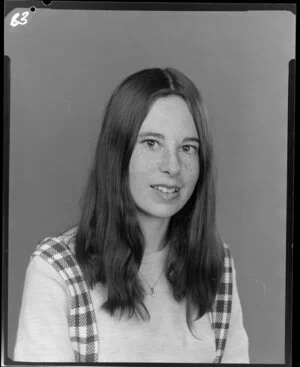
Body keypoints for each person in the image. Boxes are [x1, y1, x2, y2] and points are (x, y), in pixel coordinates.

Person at [14, 67, 249, 363]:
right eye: (151, 143)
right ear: (118, 152)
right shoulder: (56, 270)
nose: (172, 166)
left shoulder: (217, 265)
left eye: (187, 148)